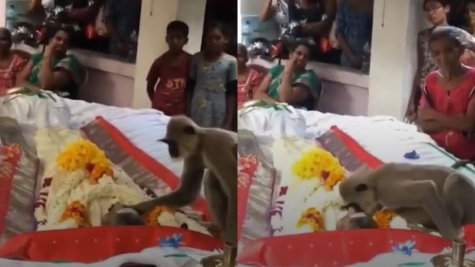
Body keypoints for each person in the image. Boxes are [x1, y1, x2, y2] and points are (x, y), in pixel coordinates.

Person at [417, 26, 475, 160]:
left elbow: (469, 125)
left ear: (460, 50)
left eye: (449, 51)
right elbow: (425, 125)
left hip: (468, 159)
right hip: (436, 153)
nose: (442, 58)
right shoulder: (430, 81)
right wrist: (458, 122)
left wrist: (434, 115)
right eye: (436, 53)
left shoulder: (473, 80)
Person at [405, 0, 449, 122]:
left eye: (435, 8)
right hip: (423, 91)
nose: (431, 12)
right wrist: (412, 100)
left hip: (444, 92)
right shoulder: (423, 36)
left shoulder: (455, 36)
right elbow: (420, 67)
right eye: (428, 9)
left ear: (446, 8)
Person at [187, 22, 237, 130]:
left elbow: (231, 93)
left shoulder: (231, 62)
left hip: (218, 108)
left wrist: (229, 120)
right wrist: (188, 112)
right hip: (197, 107)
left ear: (225, 39)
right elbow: (190, 87)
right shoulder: (197, 59)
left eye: (218, 38)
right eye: (210, 38)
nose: (213, 41)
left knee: (214, 140)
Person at [17, 27, 85, 99]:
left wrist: (47, 56)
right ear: (50, 40)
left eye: (65, 42)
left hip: (53, 103)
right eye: (58, 39)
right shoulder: (37, 57)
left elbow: (46, 85)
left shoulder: (70, 62)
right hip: (30, 97)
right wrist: (37, 91)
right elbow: (19, 81)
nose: (61, 43)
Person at [261, 0, 338, 63]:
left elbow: (325, 24)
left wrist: (302, 27)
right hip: (288, 42)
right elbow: (263, 17)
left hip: (311, 44)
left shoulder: (318, 4)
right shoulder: (280, 3)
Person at [254, 41, 321, 110]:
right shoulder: (277, 69)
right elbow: (258, 94)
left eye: (305, 56)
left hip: (291, 115)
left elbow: (285, 99)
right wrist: (275, 104)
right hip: (268, 109)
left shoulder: (310, 78)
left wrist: (287, 73)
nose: (301, 58)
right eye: (299, 53)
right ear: (290, 54)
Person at [146, 21, 192, 116]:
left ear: (185, 40)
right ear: (167, 39)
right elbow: (149, 87)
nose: (175, 41)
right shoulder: (159, 61)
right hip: (160, 109)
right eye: (172, 38)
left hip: (181, 110)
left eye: (179, 38)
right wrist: (156, 104)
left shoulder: (191, 61)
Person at [336, 0, 373, 71]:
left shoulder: (374, 5)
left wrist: (367, 57)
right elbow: (339, 32)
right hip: (347, 58)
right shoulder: (344, 4)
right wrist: (351, 56)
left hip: (369, 59)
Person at [0, 28, 28, 93]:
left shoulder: (18, 62)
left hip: (10, 98)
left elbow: (20, 85)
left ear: (10, 43)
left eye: (3, 39)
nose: (0, 42)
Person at [237, 44, 264, 109]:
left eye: (239, 55)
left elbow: (257, 100)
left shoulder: (255, 76)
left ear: (246, 58)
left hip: (247, 111)